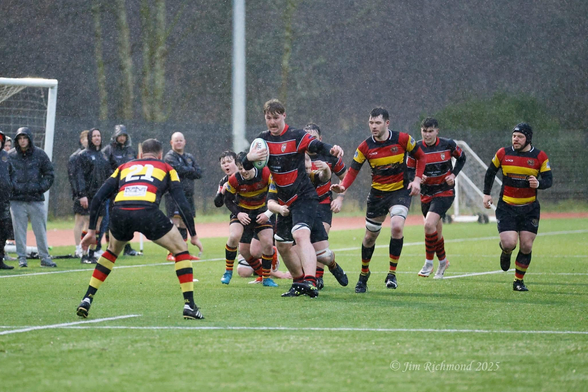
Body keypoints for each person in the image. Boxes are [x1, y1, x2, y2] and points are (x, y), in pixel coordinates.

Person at [76, 138, 205, 320]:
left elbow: (98, 197)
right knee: (181, 251)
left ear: (140, 154)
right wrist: (193, 234)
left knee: (111, 252)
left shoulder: (124, 167)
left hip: (120, 212)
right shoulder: (167, 167)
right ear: (161, 155)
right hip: (147, 211)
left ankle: (87, 299)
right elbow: (181, 202)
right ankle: (190, 306)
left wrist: (91, 231)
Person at [245, 99, 343, 298]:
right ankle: (299, 282)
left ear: (284, 116)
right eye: (268, 118)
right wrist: (249, 158)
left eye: (276, 117)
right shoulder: (262, 141)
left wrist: (332, 148)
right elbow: (246, 166)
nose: (272, 122)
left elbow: (316, 145)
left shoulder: (296, 135)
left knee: (300, 236)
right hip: (284, 201)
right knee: (282, 245)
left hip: (304, 197)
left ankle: (310, 281)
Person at [331, 107, 425, 293]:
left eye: (377, 123)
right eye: (371, 123)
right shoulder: (365, 147)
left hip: (399, 191)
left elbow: (421, 156)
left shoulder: (403, 139)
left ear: (387, 123)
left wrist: (416, 180)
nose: (373, 126)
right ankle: (364, 274)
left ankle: (391, 274)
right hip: (378, 195)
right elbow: (353, 171)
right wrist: (343, 187)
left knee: (397, 226)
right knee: (369, 237)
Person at [483, 123, 552, 291]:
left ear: (528, 138)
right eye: (514, 136)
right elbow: (490, 172)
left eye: (520, 136)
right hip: (507, 206)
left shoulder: (540, 156)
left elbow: (549, 181)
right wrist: (486, 193)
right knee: (509, 244)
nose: (516, 139)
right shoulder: (503, 153)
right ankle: (505, 252)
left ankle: (518, 281)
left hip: (530, 208)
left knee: (526, 246)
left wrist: (538, 184)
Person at [407, 118, 466, 279]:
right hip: (426, 194)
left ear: (437, 131)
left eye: (430, 131)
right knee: (435, 232)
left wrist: (453, 174)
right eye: (424, 131)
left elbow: (462, 158)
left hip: (444, 192)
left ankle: (428, 263)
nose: (427, 134)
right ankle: (443, 261)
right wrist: (418, 178)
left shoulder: (448, 145)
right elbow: (409, 170)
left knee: (428, 225)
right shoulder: (416, 148)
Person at [220, 151, 278, 287]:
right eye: (240, 169)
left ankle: (266, 278)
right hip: (243, 213)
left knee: (268, 243)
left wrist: (267, 214)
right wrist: (238, 213)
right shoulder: (234, 179)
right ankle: (228, 272)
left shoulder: (265, 174)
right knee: (234, 236)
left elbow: (277, 194)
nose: (243, 172)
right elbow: (227, 200)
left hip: (261, 213)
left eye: (246, 168)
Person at [304, 123, 348, 289]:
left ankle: (318, 277)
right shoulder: (298, 156)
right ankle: (332, 264)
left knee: (318, 241)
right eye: (307, 138)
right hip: (303, 204)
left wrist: (340, 198)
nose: (310, 141)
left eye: (313, 138)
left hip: (323, 203)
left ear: (320, 140)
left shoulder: (330, 156)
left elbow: (346, 177)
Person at [8, 127, 56, 267]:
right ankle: (22, 258)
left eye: (25, 138)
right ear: (17, 140)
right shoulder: (10, 156)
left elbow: (49, 174)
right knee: (19, 231)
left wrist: (39, 188)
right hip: (17, 200)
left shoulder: (40, 154)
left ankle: (44, 257)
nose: (22, 141)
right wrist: (14, 188)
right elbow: (5, 176)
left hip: (36, 199)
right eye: (20, 138)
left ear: (29, 139)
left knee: (40, 230)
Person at [164, 132, 203, 261]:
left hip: (188, 195)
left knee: (184, 223)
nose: (179, 142)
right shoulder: (169, 157)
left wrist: (187, 170)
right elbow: (178, 170)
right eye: (176, 140)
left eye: (181, 140)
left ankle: (182, 252)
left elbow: (199, 172)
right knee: (175, 222)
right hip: (174, 195)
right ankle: (171, 253)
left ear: (185, 142)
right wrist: (189, 170)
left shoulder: (189, 157)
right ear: (171, 143)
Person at [102, 124, 140, 256]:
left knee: (127, 218)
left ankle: (127, 246)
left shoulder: (130, 151)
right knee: (112, 218)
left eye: (124, 136)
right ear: (115, 136)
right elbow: (105, 169)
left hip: (129, 189)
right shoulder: (108, 150)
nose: (122, 138)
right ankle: (110, 245)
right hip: (114, 190)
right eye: (120, 136)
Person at [76, 128, 111, 264]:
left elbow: (108, 176)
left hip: (101, 196)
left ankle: (91, 253)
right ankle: (83, 253)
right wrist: (82, 195)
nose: (97, 138)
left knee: (98, 226)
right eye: (94, 136)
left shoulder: (103, 156)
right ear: (90, 138)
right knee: (88, 223)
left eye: (99, 135)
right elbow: (79, 177)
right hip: (89, 196)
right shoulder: (83, 155)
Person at [68, 130, 90, 258]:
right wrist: (79, 194)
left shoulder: (95, 155)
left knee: (89, 220)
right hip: (81, 194)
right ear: (81, 140)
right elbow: (73, 177)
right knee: (80, 220)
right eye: (86, 138)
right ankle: (78, 248)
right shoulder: (76, 156)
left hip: (91, 194)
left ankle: (85, 247)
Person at [0, 130, 15, 269]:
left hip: (3, 201)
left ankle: (0, 258)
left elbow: (12, 173)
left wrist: (12, 186)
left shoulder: (5, 156)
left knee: (4, 230)